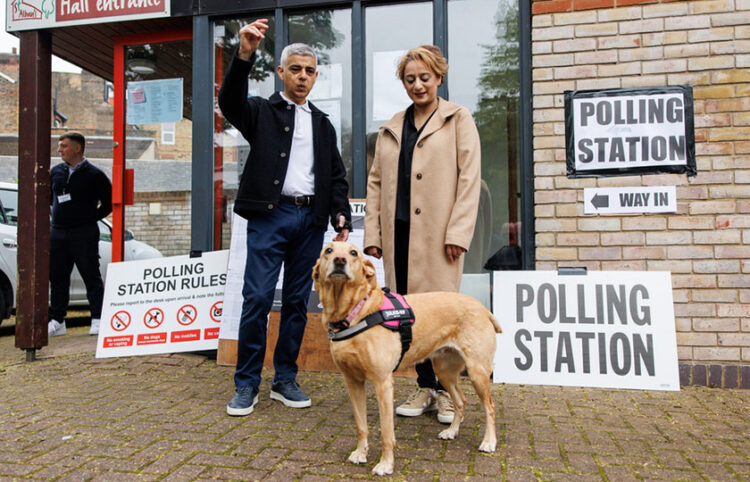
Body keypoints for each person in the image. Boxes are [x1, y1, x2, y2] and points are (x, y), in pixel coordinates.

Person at [219, 19, 352, 417]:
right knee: (257, 298)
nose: (303, 76)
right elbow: (228, 103)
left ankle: (285, 379)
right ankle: (246, 384)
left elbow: (335, 176)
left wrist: (340, 217)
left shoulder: (323, 123)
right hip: (269, 219)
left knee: (296, 301)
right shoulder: (261, 111)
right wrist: (244, 54)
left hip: (309, 221)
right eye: (295, 69)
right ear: (281, 72)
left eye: (310, 71)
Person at [364, 45, 481, 425]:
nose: (418, 85)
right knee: (407, 315)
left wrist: (459, 231)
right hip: (398, 235)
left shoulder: (458, 119)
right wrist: (373, 234)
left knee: (442, 316)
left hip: (439, 236)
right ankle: (425, 386)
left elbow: (470, 179)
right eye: (410, 79)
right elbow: (375, 183)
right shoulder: (391, 128)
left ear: (439, 78)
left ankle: (449, 393)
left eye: (424, 78)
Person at [49, 132, 112, 337]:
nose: (60, 150)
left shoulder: (94, 174)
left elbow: (108, 203)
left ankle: (97, 318)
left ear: (77, 148)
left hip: (83, 233)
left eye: (64, 146)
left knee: (90, 275)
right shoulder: (56, 171)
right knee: (57, 276)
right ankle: (57, 320)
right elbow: (51, 198)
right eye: (59, 146)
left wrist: (89, 217)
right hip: (58, 232)